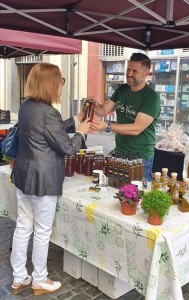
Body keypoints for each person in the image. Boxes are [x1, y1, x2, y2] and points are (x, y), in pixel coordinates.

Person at [10, 62, 91, 296]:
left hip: (25, 175)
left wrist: (75, 120)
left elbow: (47, 130)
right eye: (60, 80)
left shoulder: (27, 106)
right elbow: (66, 147)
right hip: (44, 179)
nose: (61, 84)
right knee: (42, 231)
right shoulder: (48, 112)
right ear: (51, 83)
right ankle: (40, 279)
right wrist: (82, 132)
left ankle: (18, 278)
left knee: (23, 227)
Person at [91, 52, 160, 182]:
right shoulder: (122, 89)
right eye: (128, 69)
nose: (129, 74)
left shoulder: (151, 98)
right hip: (119, 152)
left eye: (135, 71)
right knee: (115, 192)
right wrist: (93, 105)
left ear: (146, 74)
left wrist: (107, 126)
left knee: (137, 196)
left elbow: (136, 128)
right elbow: (102, 111)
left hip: (141, 157)